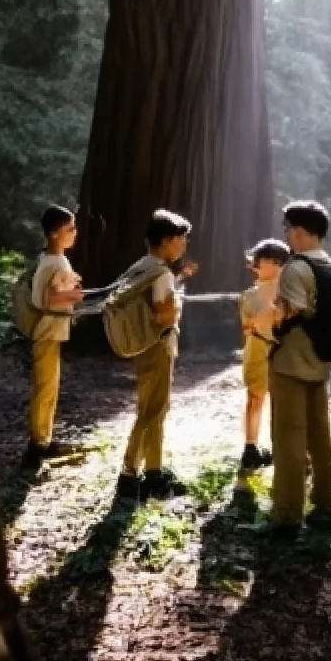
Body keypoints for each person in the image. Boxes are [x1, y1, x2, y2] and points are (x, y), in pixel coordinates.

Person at [266, 201, 331, 538]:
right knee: (320, 438)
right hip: (319, 363)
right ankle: (325, 506)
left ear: (297, 230)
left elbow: (291, 311)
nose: (286, 234)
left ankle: (287, 516)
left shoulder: (296, 268)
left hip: (291, 365)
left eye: (287, 228)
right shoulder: (328, 265)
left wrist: (271, 321)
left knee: (288, 440)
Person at [116, 209, 197, 501]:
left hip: (143, 344)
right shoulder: (160, 272)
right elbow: (164, 315)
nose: (185, 244)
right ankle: (130, 473)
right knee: (153, 409)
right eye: (181, 238)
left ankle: (153, 470)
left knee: (152, 407)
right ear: (166, 240)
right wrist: (176, 305)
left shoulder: (143, 265)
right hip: (158, 344)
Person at [23, 205, 85, 468]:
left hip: (50, 330)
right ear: (54, 233)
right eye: (69, 228)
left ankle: (44, 439)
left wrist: (71, 287)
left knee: (49, 387)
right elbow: (51, 298)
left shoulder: (52, 259)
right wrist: (75, 294)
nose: (74, 233)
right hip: (47, 331)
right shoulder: (55, 261)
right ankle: (37, 445)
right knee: (45, 387)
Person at [238, 239, 290, 471]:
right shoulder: (249, 295)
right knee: (255, 398)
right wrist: (260, 319)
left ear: (277, 263)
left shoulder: (289, 292)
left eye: (262, 259)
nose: (255, 263)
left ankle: (283, 447)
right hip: (257, 348)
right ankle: (251, 447)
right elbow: (246, 328)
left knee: (284, 400)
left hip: (283, 349)